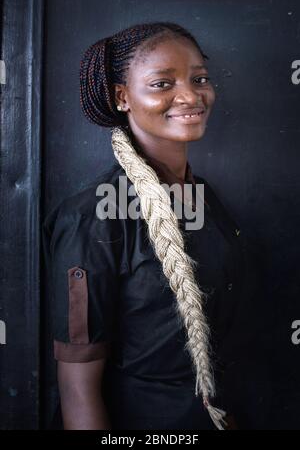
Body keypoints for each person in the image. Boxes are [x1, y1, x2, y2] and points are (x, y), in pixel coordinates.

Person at [42, 21, 248, 430]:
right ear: (122, 97)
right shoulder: (91, 218)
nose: (191, 95)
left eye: (199, 79)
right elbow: (77, 391)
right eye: (161, 83)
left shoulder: (205, 199)